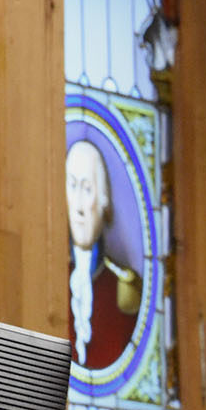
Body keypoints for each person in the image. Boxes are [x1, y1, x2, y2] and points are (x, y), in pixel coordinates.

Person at [64, 138, 140, 370]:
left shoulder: (126, 288)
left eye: (87, 189)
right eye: (72, 186)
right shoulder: (46, 282)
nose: (78, 206)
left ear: (104, 199)